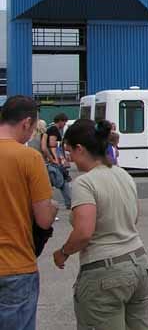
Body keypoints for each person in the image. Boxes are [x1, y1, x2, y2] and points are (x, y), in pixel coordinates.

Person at [53, 119, 148, 330]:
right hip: (139, 264)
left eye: (70, 151)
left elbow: (83, 232)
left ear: (80, 149)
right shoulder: (122, 174)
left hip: (105, 273)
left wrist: (63, 252)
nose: (69, 158)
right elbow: (134, 217)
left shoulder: (85, 182)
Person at [0, 96, 58, 330]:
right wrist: (53, 208)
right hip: (15, 266)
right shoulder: (29, 158)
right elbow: (43, 219)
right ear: (26, 123)